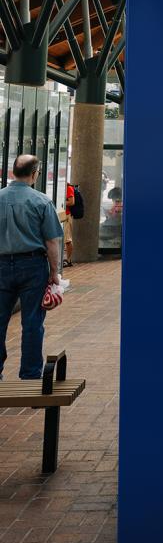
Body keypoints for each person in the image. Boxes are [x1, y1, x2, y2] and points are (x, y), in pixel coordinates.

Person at [0, 154, 63, 382]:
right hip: (33, 265)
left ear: (12, 173)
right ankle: (29, 376)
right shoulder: (41, 201)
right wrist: (54, 272)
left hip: (1, 266)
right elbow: (51, 242)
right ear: (35, 174)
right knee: (33, 323)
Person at [58, 182, 75, 268]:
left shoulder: (68, 188)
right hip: (62, 214)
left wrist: (61, 202)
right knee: (65, 238)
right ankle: (67, 259)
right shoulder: (64, 187)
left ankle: (68, 260)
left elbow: (72, 202)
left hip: (67, 215)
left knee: (67, 239)